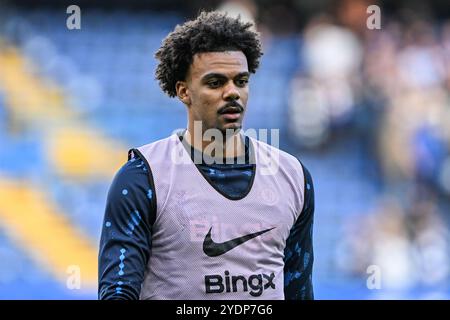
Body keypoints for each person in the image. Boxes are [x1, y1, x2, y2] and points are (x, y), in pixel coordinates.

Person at [98, 10, 315, 300]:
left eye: (241, 81)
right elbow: (118, 293)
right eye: (216, 83)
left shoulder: (293, 177)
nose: (232, 93)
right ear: (184, 92)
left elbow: (299, 290)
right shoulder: (143, 178)